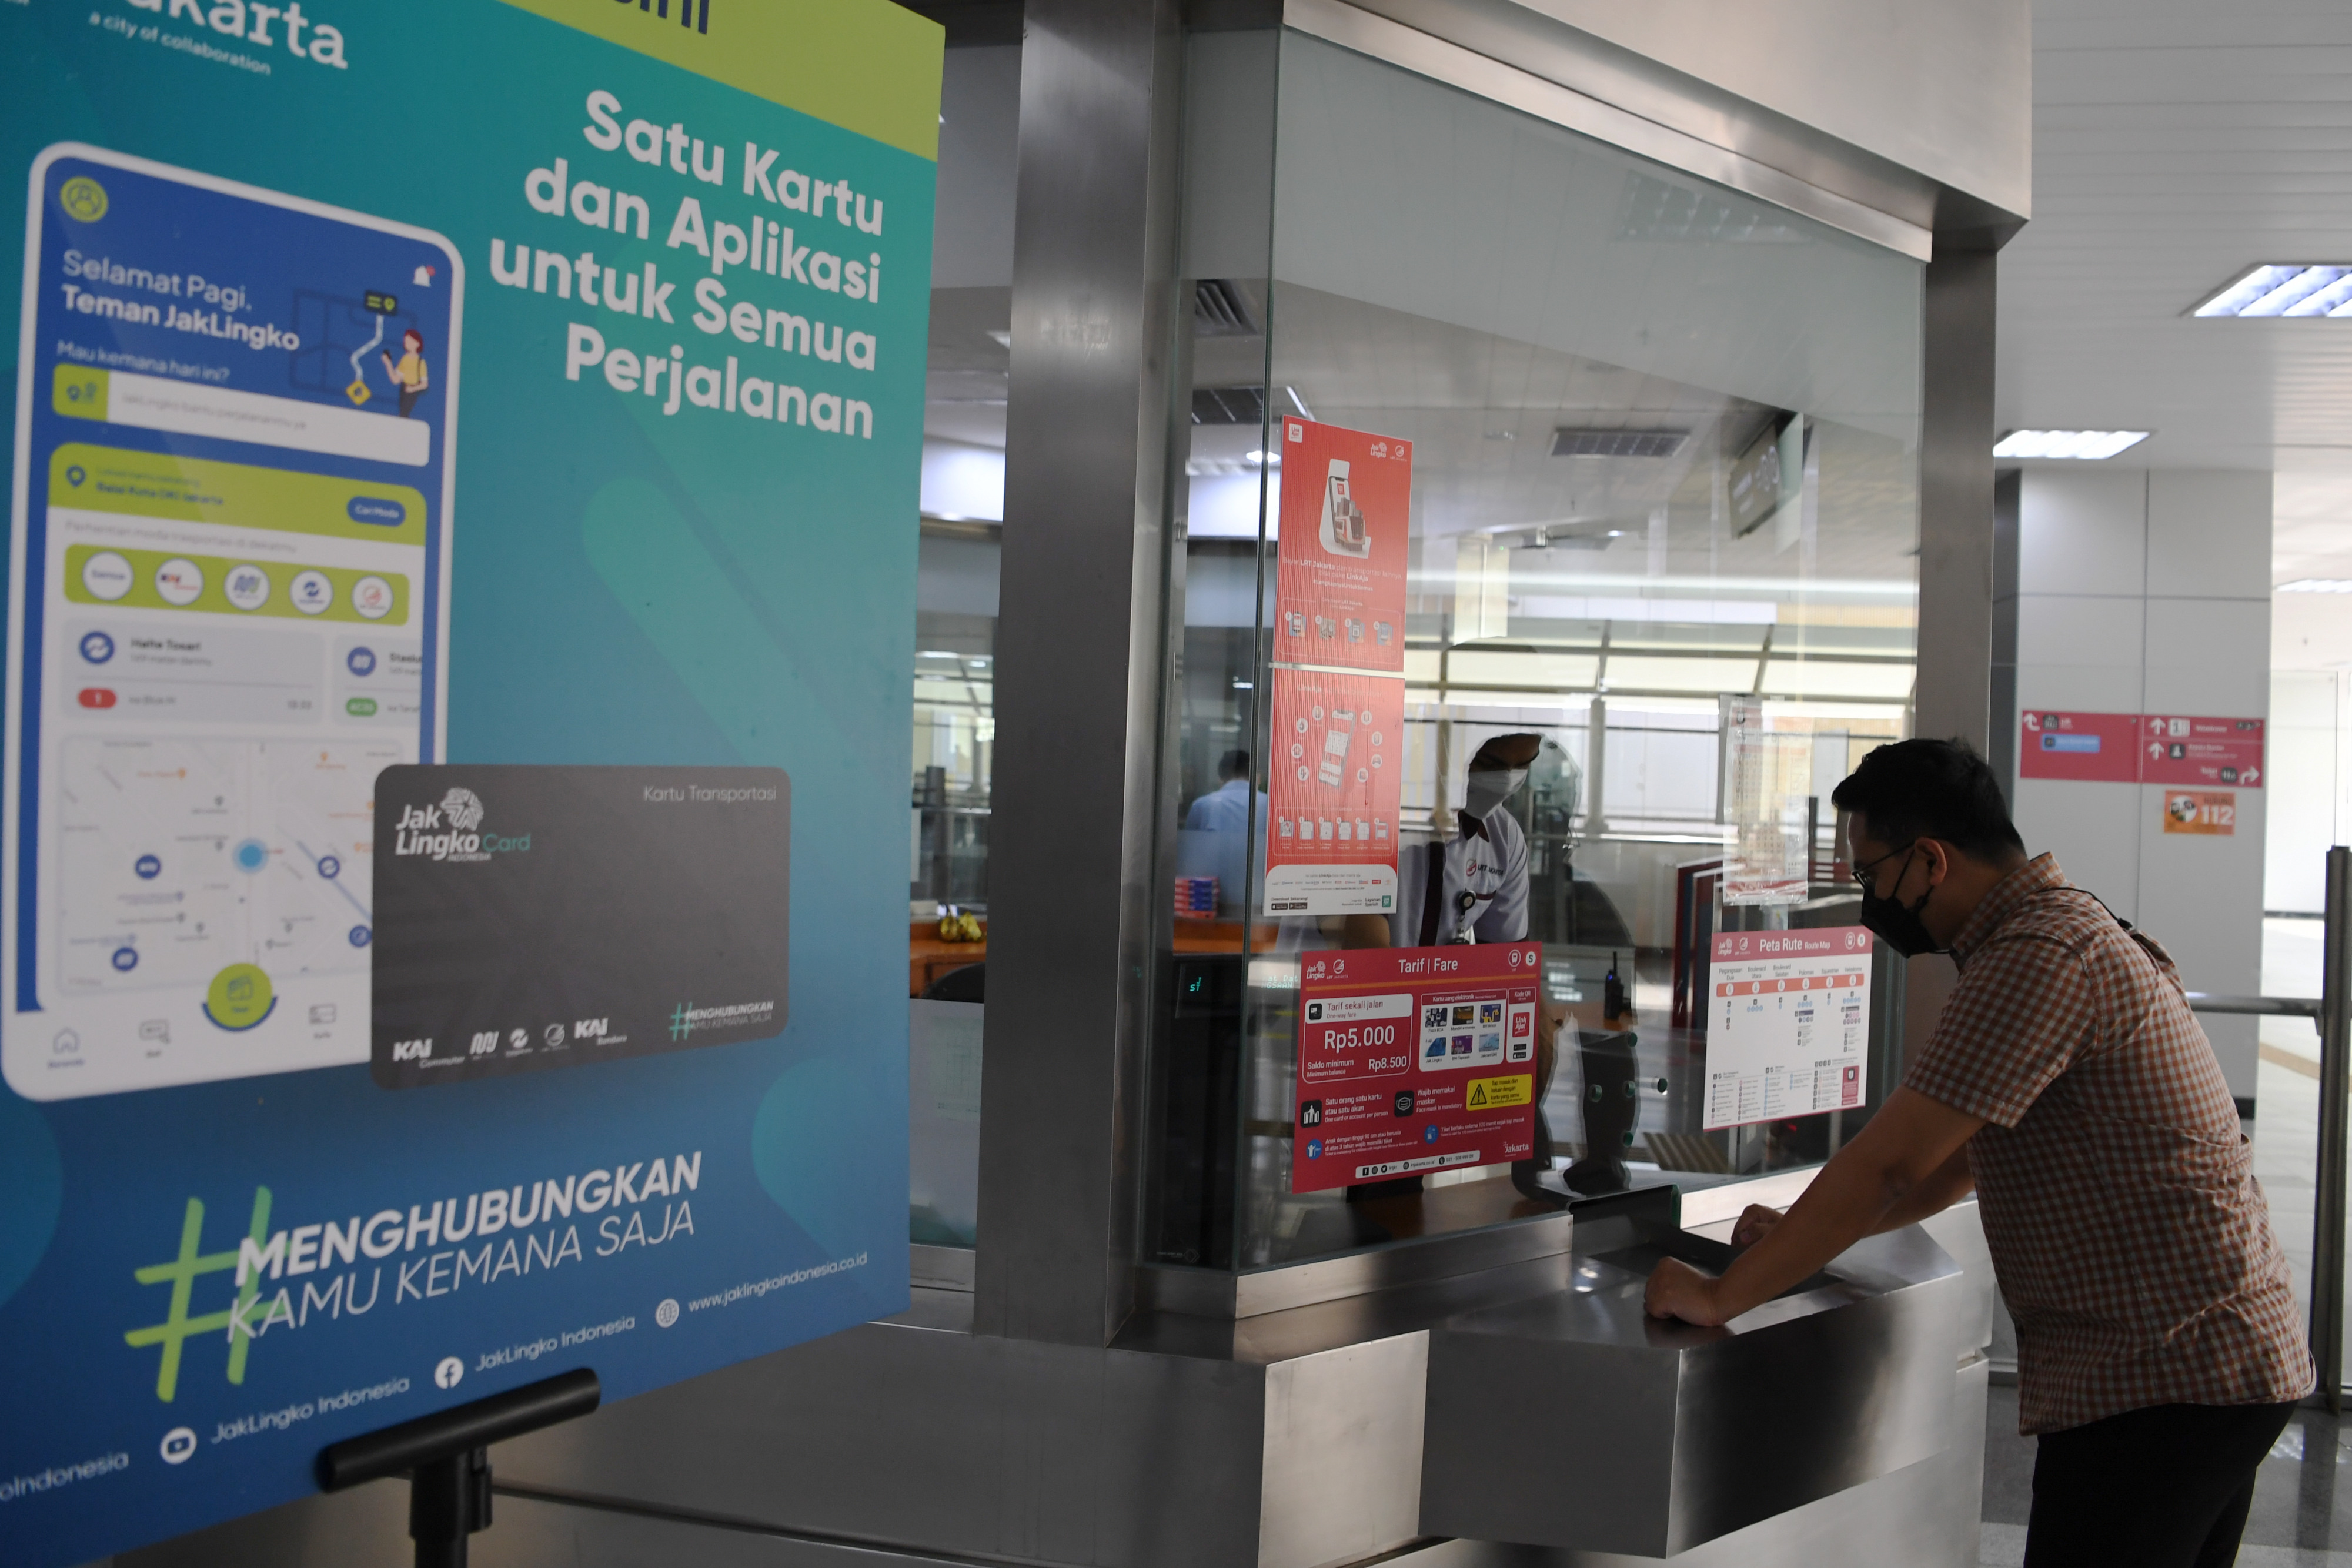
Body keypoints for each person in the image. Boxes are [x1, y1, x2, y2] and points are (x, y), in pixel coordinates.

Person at [1643, 737, 2311, 1568]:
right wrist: (1794, 1236)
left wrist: (1723, 1294)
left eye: (1870, 872)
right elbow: (1954, 1159)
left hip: (2164, 1372)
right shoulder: (2067, 928)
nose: (1871, 897)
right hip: (2216, 1359)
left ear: (1930, 859)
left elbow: (1890, 1162)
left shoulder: (2037, 957)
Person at [1184, 749, 1264, 834]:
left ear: (1221, 778)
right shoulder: (1270, 806)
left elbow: (1191, 843)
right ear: (1258, 778)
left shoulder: (1201, 805)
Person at [381, 327, 429, 417]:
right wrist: (388, 363)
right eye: (406, 341)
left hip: (412, 392)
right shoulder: (405, 359)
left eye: (410, 341)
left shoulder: (421, 363)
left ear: (417, 343)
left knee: (404, 415)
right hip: (403, 390)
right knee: (402, 415)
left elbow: (425, 384)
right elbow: (396, 380)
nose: (407, 343)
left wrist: (412, 389)